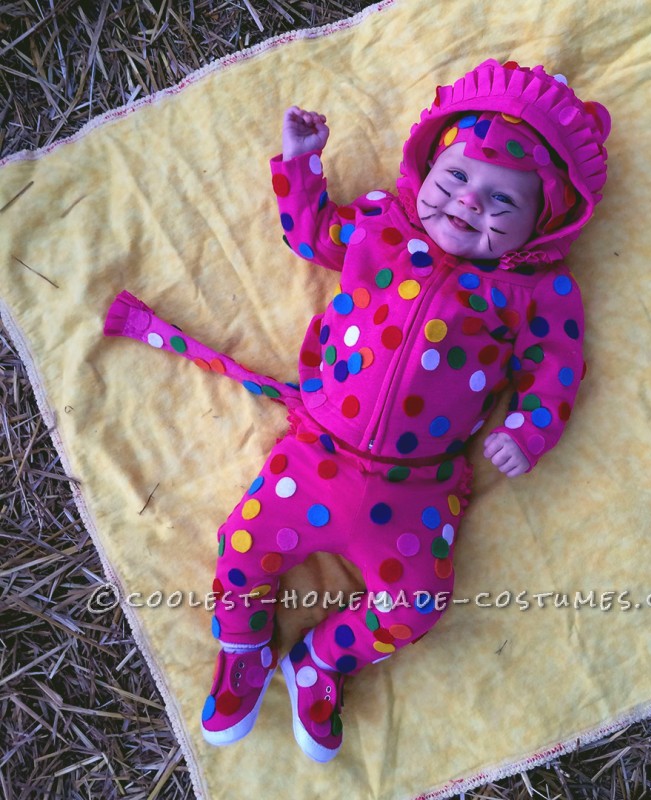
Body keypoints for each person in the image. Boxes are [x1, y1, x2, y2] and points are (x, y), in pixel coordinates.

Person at [103, 58, 610, 762]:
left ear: (542, 224)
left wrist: (529, 430)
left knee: (417, 607)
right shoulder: (381, 227)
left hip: (417, 490)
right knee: (243, 549)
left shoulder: (534, 293)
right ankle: (243, 646)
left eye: (502, 203)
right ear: (425, 168)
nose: (467, 204)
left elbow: (556, 367)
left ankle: (322, 661)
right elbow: (310, 235)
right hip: (315, 457)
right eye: (456, 178)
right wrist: (301, 164)